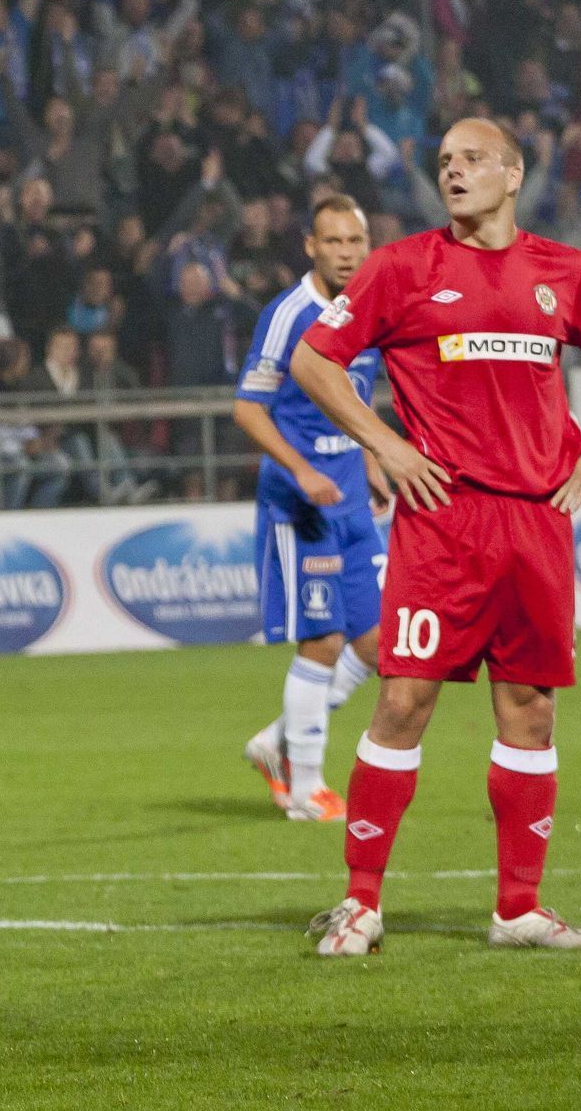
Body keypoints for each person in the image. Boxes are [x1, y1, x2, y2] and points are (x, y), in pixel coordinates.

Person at [294, 119, 581, 956]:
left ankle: (518, 908)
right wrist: (386, 443)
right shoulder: (403, 267)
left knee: (531, 711)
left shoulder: (566, 269)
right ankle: (361, 903)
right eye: (444, 161)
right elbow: (314, 360)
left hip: (535, 521)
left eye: (472, 159)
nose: (454, 171)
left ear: (514, 174)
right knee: (403, 701)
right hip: (443, 523)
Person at [231, 194, 387, 824]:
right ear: (311, 246)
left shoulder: (370, 307)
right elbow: (247, 406)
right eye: (334, 242)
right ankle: (307, 790)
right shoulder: (289, 314)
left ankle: (278, 744)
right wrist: (301, 469)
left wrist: (371, 460)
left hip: (353, 498)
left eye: (356, 241)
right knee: (321, 641)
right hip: (301, 505)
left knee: (379, 645)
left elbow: (359, 395)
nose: (346, 253)